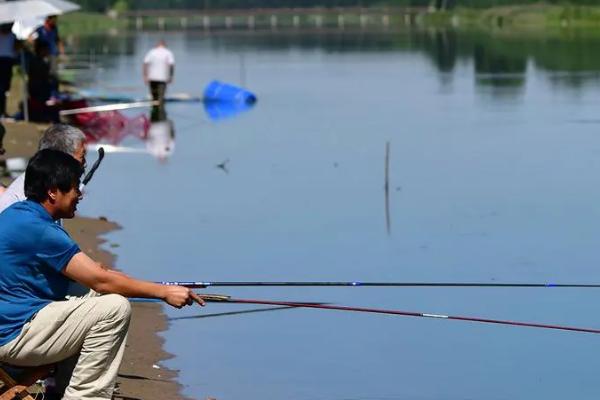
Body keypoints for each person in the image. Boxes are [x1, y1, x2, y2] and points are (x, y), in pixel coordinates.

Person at [0, 149, 204, 400]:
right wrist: (164, 292)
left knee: (92, 294)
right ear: (53, 191)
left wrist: (106, 278)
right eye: (75, 188)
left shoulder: (20, 214)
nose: (80, 194)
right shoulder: (40, 229)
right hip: (12, 335)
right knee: (114, 308)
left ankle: (62, 390)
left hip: (10, 323)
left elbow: (91, 277)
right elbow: (102, 279)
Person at [0, 123, 86, 214]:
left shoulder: (46, 181)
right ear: (63, 157)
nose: (85, 164)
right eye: (82, 157)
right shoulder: (34, 194)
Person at [0, 23, 17, 118]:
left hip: (8, 63)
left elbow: (15, 50)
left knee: (5, 89)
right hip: (2, 62)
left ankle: (3, 111)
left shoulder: (13, 36)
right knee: (1, 89)